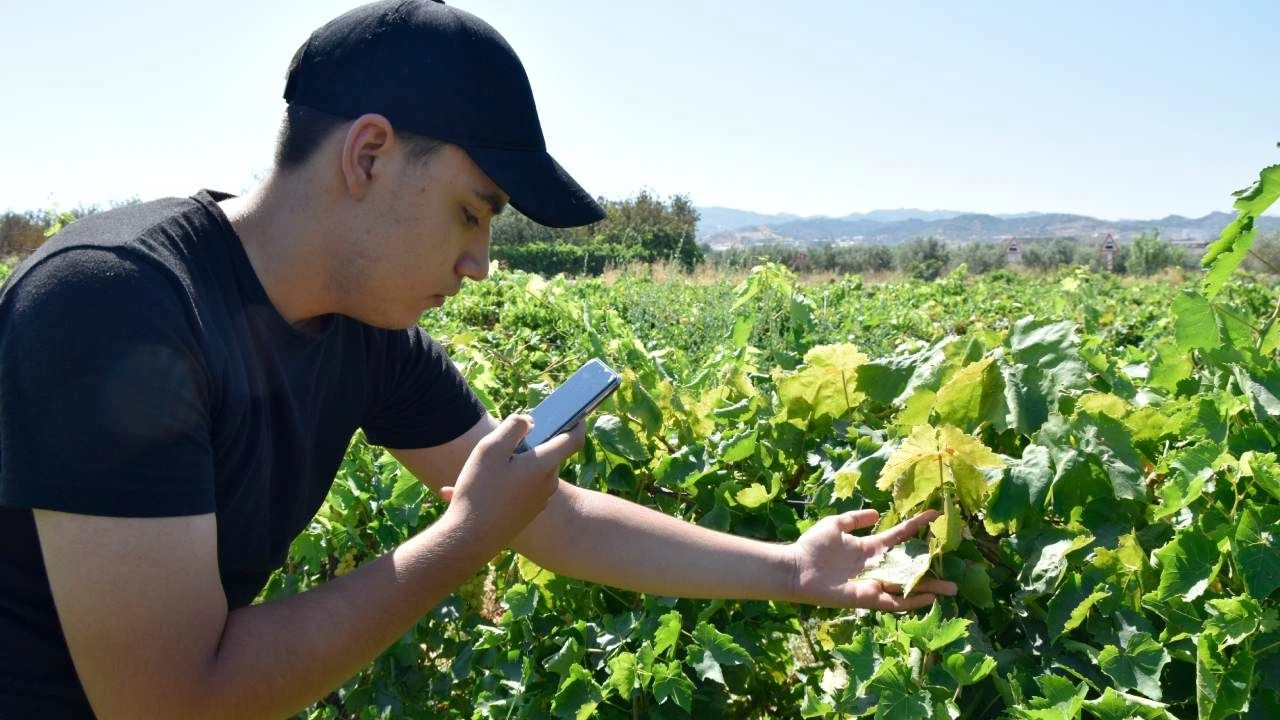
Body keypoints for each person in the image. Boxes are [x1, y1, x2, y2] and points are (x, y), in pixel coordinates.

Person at [0, 1, 955, 717]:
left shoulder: (365, 332)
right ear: (367, 156)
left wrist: (791, 569)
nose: (479, 264)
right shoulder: (113, 304)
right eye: (473, 210)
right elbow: (168, 703)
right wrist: (462, 541)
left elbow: (554, 515)